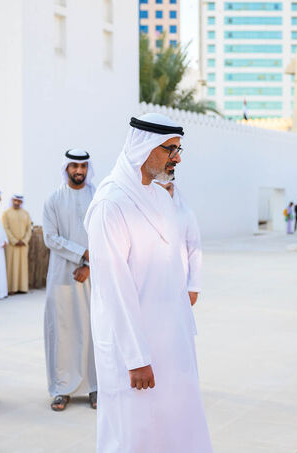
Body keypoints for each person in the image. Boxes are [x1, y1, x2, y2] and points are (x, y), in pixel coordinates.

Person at [84, 113, 212, 452]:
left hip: (171, 341)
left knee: (176, 425)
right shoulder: (111, 205)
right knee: (134, 431)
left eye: (179, 149)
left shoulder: (158, 197)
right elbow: (113, 288)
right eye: (170, 149)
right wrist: (136, 357)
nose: (178, 158)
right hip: (135, 350)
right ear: (143, 148)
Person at [43, 149, 97, 411]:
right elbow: (50, 238)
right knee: (63, 331)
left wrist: (89, 264)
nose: (79, 171)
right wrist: (81, 255)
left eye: (83, 166)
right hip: (62, 276)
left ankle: (95, 387)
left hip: (93, 276)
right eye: (74, 166)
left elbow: (105, 234)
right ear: (66, 168)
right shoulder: (53, 200)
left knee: (92, 330)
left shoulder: (98, 197)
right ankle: (61, 388)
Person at [155, 180, 202, 306]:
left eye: (169, 188)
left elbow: (194, 251)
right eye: (161, 189)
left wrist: (194, 287)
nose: (166, 193)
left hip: (179, 282)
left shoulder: (186, 215)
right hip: (152, 284)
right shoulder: (143, 214)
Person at [2, 194, 32, 294]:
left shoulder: (26, 213)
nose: (17, 203)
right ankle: (11, 288)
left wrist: (24, 240)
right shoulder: (6, 213)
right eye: (15, 201)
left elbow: (29, 229)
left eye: (19, 201)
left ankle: (22, 287)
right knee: (11, 266)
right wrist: (14, 240)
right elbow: (5, 228)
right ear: (12, 201)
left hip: (23, 245)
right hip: (12, 245)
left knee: (22, 267)